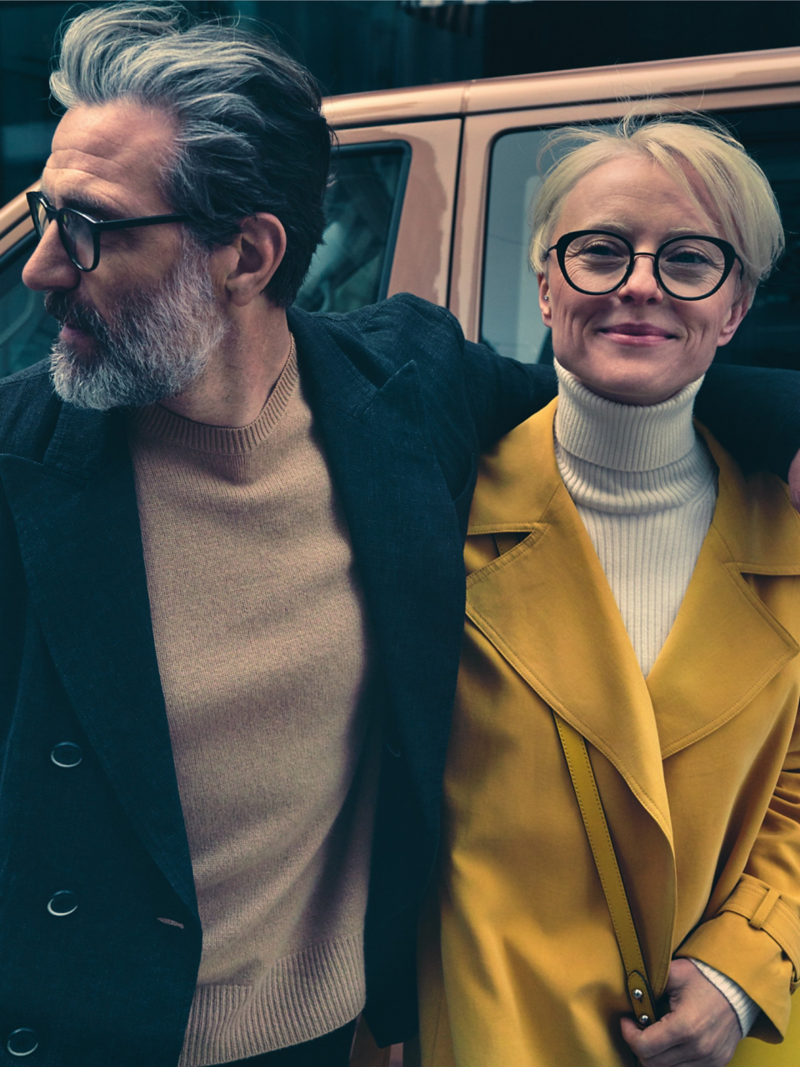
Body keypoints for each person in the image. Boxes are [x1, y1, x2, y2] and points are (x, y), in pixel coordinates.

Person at [0, 6, 799, 1066]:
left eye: (91, 227)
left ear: (248, 252)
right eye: (46, 215)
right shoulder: (21, 456)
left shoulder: (403, 389)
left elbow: (613, 387)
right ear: (546, 273)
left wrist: (775, 416)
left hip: (325, 1039)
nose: (42, 267)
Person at [415, 117, 800, 1067]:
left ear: (735, 306)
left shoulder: (791, 522)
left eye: (689, 259)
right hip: (486, 1033)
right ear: (544, 283)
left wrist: (746, 967)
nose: (638, 283)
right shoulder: (429, 511)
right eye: (600, 250)